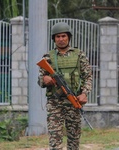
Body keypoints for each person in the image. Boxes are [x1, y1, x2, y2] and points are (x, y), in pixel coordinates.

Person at [37, 22, 92, 150]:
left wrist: (84, 93)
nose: (61, 39)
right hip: (55, 103)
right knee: (55, 139)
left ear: (69, 37)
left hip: (73, 101)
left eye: (63, 36)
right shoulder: (48, 57)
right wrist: (45, 79)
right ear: (54, 39)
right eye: (58, 37)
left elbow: (88, 76)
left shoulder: (79, 55)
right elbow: (40, 80)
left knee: (74, 140)